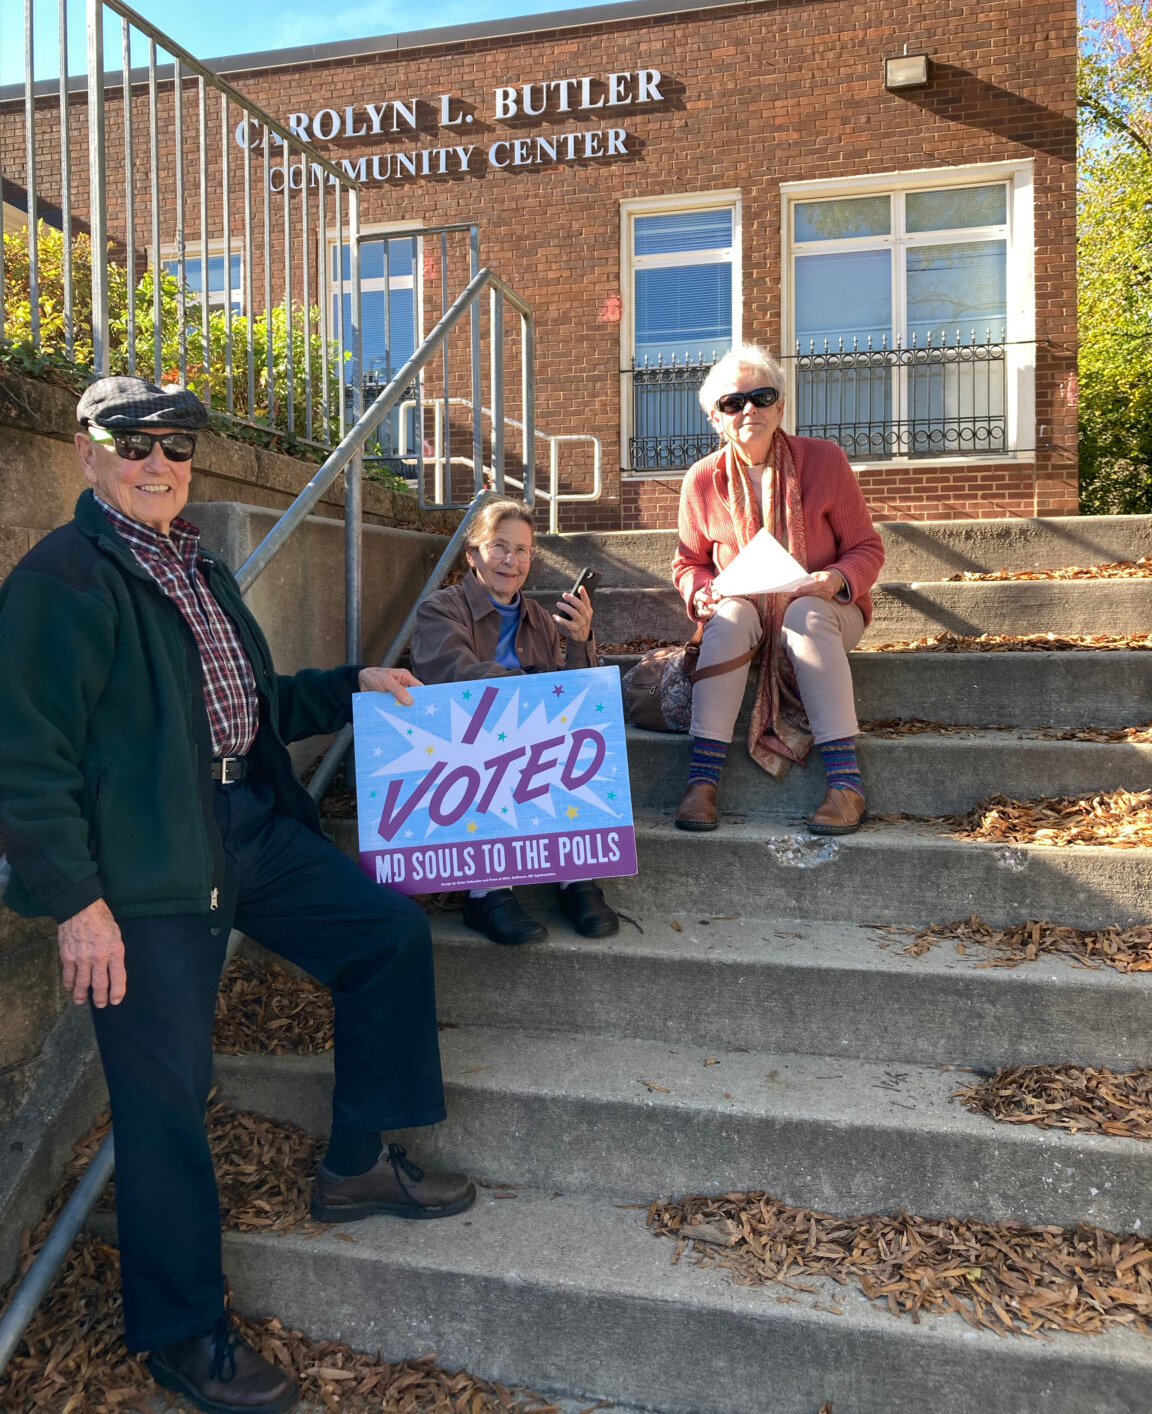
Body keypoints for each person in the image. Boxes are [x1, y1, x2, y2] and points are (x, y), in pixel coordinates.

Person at [0, 377, 475, 1414]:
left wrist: (351, 683)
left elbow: (244, 708)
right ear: (86, 456)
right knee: (164, 1104)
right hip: (145, 876)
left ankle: (356, 1165)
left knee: (386, 936)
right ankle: (184, 1332)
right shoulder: (59, 582)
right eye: (132, 445)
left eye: (173, 447)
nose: (156, 463)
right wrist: (77, 902)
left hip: (243, 829)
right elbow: (23, 761)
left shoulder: (196, 563)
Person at [671, 344, 885, 836]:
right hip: (746, 615)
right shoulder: (701, 480)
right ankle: (701, 782)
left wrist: (834, 579)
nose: (748, 409)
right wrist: (701, 591)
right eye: (732, 402)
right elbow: (689, 562)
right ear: (715, 418)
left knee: (805, 613)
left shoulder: (824, 461)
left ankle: (846, 783)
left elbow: (865, 548)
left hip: (824, 611)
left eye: (761, 396)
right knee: (727, 618)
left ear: (781, 407)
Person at [410, 498, 619, 945]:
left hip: (529, 745)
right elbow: (451, 676)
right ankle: (486, 892)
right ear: (472, 554)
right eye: (498, 546)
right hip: (463, 748)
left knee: (578, 732)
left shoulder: (541, 621)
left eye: (522, 550)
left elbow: (576, 696)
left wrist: (580, 642)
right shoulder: (440, 610)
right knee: (500, 730)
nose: (512, 560)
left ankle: (574, 877)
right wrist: (531, 688)